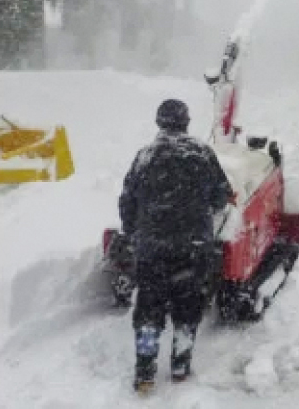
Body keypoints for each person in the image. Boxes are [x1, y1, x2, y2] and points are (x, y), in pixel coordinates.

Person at [118, 99, 233, 393]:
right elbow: (222, 196)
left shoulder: (144, 157)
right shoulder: (202, 154)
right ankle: (180, 364)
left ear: (159, 122)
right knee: (187, 305)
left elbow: (127, 201)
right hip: (192, 247)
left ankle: (145, 369)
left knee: (149, 307)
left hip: (152, 248)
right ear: (186, 122)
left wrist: (135, 233)